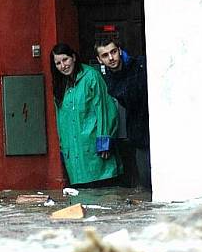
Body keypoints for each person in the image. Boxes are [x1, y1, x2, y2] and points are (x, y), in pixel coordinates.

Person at [50, 43, 122, 187]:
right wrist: (63, 149)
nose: (63, 65)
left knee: (104, 198)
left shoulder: (91, 76)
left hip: (96, 150)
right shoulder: (61, 85)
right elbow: (60, 121)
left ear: (74, 58)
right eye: (58, 63)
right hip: (75, 155)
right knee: (82, 200)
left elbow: (105, 109)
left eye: (65, 60)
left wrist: (104, 141)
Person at [94, 37, 151, 189]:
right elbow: (127, 95)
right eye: (105, 55)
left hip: (158, 127)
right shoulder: (110, 82)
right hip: (140, 134)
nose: (111, 58)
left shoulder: (141, 64)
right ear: (99, 60)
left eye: (113, 52)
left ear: (120, 51)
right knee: (147, 182)